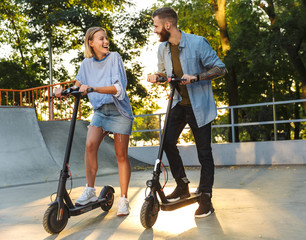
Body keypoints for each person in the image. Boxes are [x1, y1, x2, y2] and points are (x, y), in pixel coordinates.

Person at [147, 7, 226, 218]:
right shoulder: (162, 48)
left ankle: (206, 197)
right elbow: (164, 73)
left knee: (204, 153)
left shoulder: (197, 43)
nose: (154, 30)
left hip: (199, 106)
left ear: (167, 25)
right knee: (166, 143)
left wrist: (198, 77)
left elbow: (220, 68)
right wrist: (157, 76)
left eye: (155, 26)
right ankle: (182, 185)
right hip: (178, 105)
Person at [55, 27, 133, 216]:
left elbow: (118, 88)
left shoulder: (114, 58)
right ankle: (90, 190)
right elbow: (78, 85)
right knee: (90, 145)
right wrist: (61, 91)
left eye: (106, 38)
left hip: (119, 111)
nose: (106, 41)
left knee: (121, 155)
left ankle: (123, 199)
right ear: (90, 43)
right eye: (101, 39)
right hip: (100, 112)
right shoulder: (86, 64)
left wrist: (93, 89)